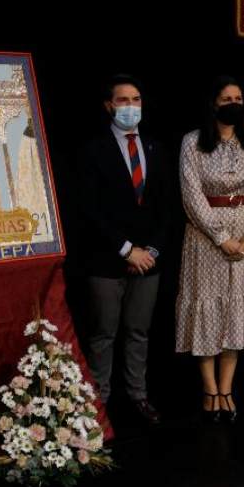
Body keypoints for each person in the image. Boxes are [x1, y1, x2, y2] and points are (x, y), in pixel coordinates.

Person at [175, 75, 244, 423]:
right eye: (226, 99)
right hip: (206, 241)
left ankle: (227, 388)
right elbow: (191, 195)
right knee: (207, 308)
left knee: (235, 311)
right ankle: (210, 389)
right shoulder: (192, 142)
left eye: (238, 99)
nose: (234, 104)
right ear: (213, 104)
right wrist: (221, 237)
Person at [78, 74, 171, 426]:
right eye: (123, 100)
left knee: (138, 332)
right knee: (103, 334)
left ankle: (138, 395)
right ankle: (98, 403)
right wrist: (127, 250)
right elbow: (89, 209)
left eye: (136, 99)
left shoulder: (156, 148)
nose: (131, 106)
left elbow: (166, 209)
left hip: (148, 262)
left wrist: (151, 252)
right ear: (109, 106)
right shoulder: (92, 150)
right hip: (106, 260)